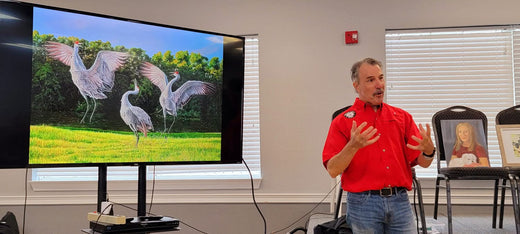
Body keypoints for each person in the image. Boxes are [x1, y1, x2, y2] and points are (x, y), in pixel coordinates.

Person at [322, 57, 435, 234]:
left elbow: (424, 162)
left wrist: (429, 151)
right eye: (370, 80)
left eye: (381, 78)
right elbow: (333, 170)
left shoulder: (402, 117)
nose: (379, 84)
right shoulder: (342, 122)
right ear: (356, 86)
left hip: (400, 201)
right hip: (363, 204)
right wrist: (352, 146)